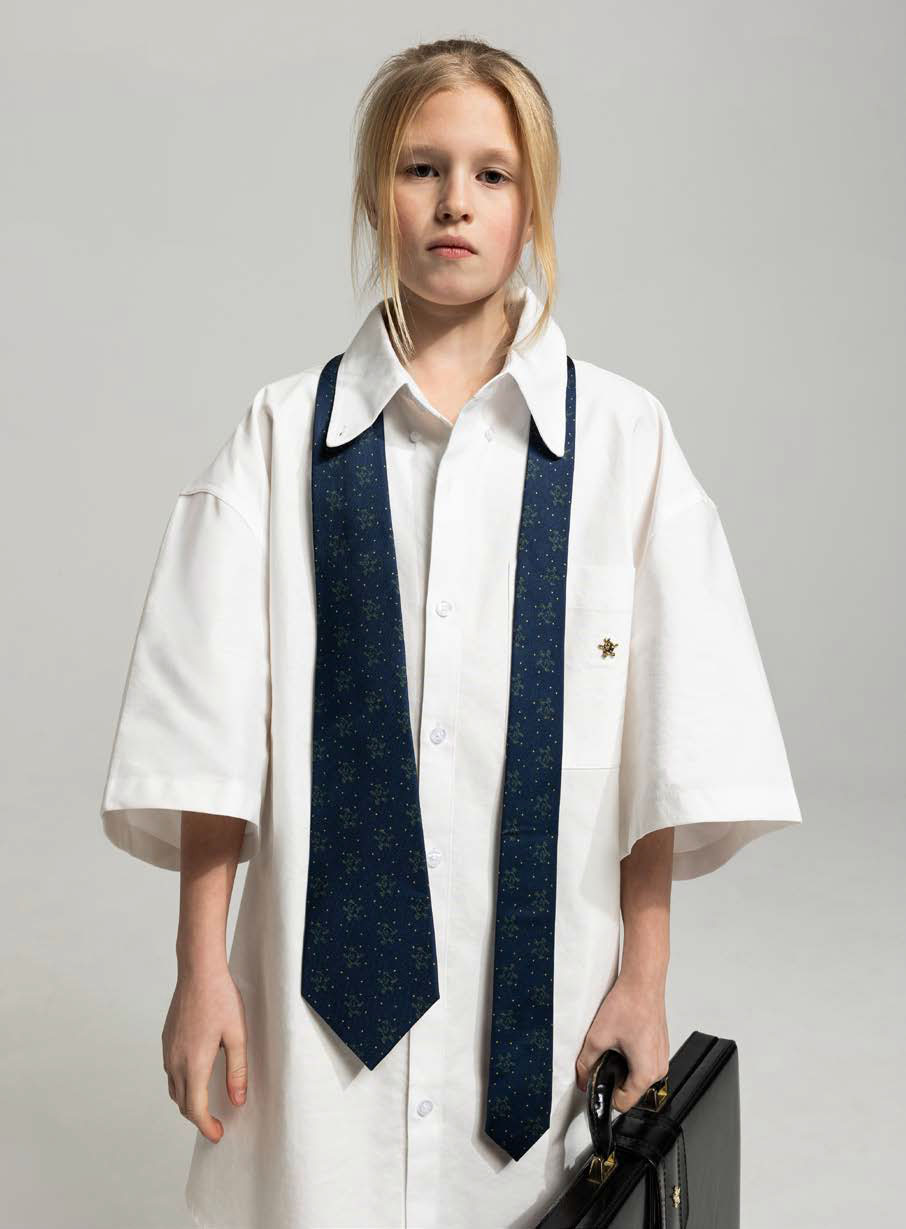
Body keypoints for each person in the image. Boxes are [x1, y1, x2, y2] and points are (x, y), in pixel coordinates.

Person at [99, 36, 803, 1229]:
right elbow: (209, 735)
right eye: (422, 167)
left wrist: (644, 979)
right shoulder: (280, 437)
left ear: (535, 203)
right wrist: (200, 967)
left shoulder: (622, 444)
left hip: (539, 1016)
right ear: (376, 189)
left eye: (492, 173)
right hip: (316, 1037)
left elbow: (661, 749)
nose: (454, 203)